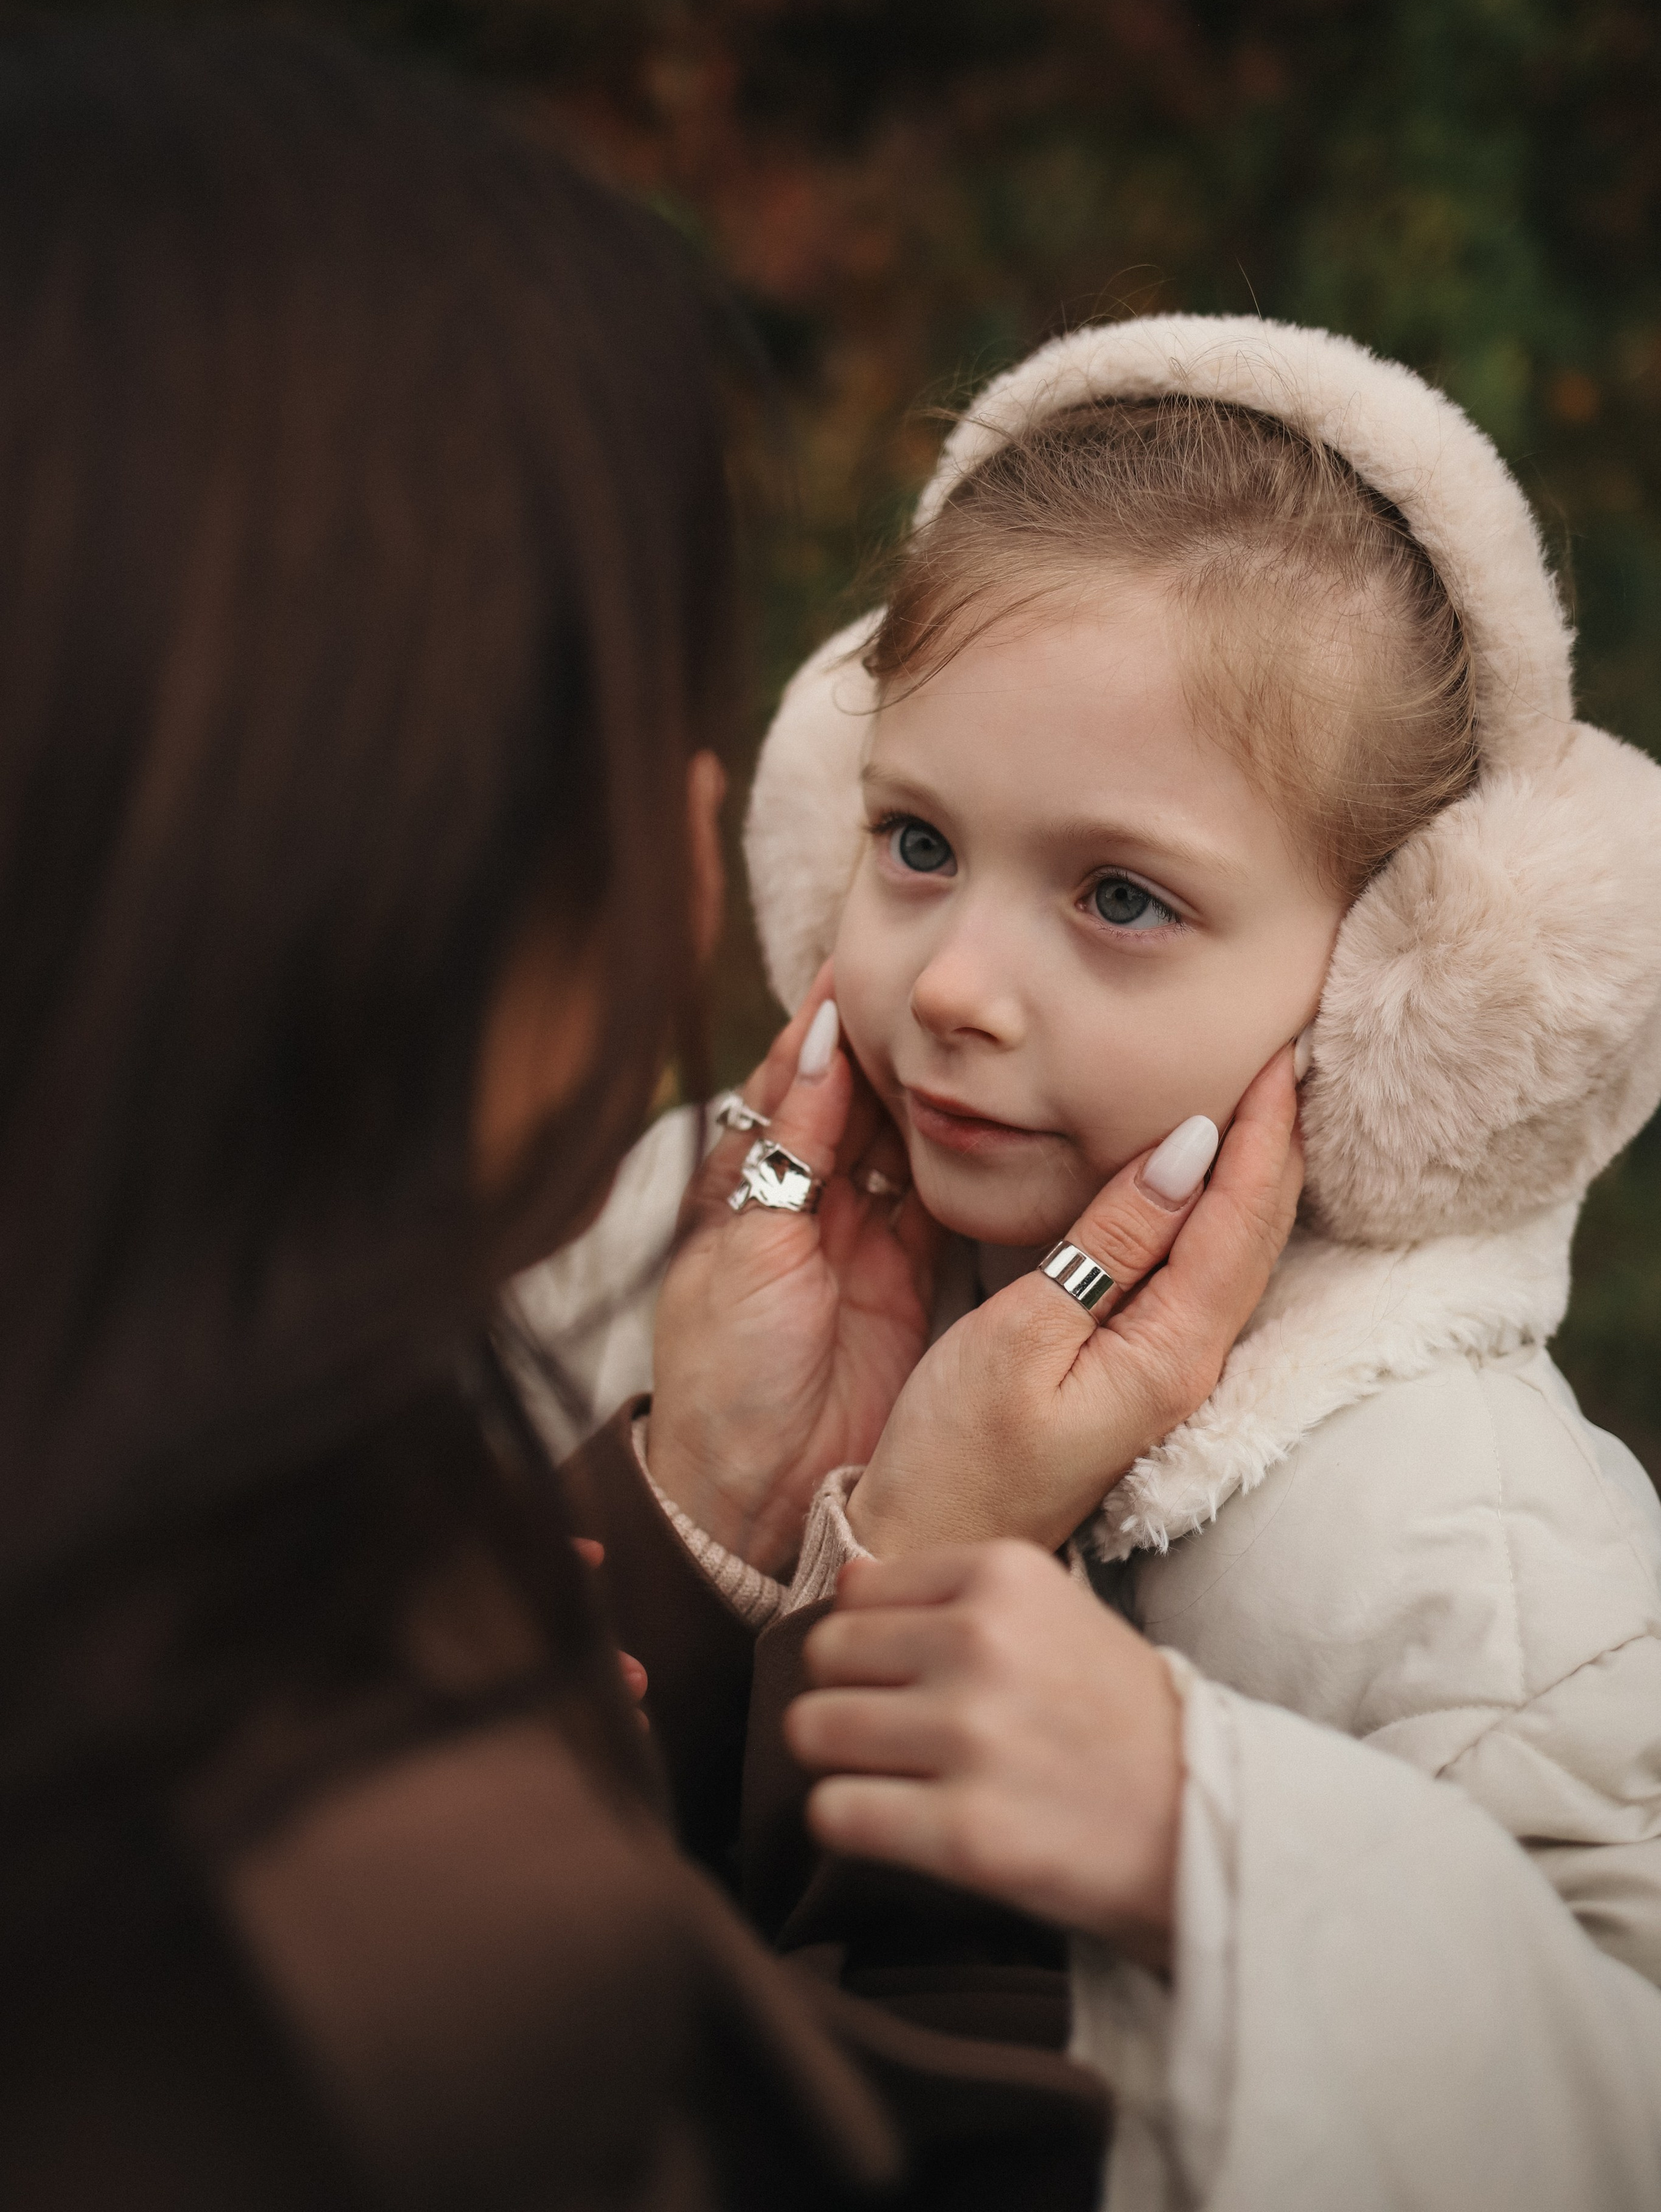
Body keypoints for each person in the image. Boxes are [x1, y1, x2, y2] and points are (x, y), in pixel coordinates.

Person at [548, 318, 1661, 2205]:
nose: (957, 988)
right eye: (913, 840)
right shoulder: (659, 1263)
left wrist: (1211, 1845)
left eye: (1121, 896)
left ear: (1404, 980)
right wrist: (689, 1521)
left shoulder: (1470, 1537)